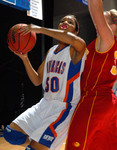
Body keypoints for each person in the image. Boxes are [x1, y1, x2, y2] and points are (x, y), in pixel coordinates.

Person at [3, 15, 86, 150]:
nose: (65, 22)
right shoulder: (51, 51)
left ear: (76, 32)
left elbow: (70, 38)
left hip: (62, 108)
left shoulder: (77, 48)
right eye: (62, 21)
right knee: (11, 134)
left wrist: (40, 29)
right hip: (44, 104)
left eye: (70, 22)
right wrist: (25, 59)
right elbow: (37, 81)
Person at [65, 0, 117, 150]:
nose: (97, 23)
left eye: (103, 19)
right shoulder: (109, 45)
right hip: (108, 103)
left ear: (113, 26)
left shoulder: (107, 39)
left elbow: (95, 6)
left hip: (93, 102)